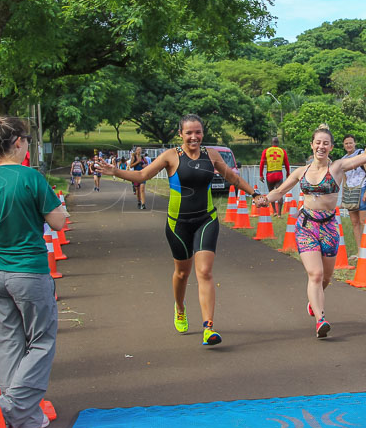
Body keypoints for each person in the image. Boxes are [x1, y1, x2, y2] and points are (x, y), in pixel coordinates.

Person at [99, 115, 259, 346]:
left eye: (198, 132)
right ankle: (181, 307)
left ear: (203, 133)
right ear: (180, 134)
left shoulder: (211, 156)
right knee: (182, 274)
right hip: (178, 224)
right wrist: (116, 172)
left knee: (204, 271)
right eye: (189, 133)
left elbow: (232, 177)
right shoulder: (171, 156)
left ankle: (208, 327)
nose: (194, 137)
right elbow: (142, 175)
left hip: (206, 219)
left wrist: (255, 195)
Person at [0, 115, 68, 428]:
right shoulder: (31, 178)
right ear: (18, 143)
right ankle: (7, 409)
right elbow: (58, 223)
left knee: (6, 343)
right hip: (29, 271)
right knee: (41, 342)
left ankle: (23, 420)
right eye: (26, 140)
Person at [258, 117, 366, 338]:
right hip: (306, 225)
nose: (321, 146)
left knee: (325, 277)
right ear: (312, 145)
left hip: (329, 227)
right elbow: (280, 191)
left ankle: (313, 302)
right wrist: (265, 199)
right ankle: (320, 319)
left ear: (331, 147)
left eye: (326, 143)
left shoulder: (338, 167)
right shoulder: (301, 172)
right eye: (318, 142)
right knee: (315, 275)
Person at [340, 134, 366, 251]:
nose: (349, 145)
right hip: (350, 191)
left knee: (364, 221)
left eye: (350, 143)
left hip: (362, 188)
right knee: (354, 222)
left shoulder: (361, 155)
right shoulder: (343, 160)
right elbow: (344, 179)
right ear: (343, 145)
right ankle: (360, 249)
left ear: (355, 143)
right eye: (346, 143)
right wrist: (343, 195)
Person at [258, 136, 290, 216]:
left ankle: (274, 211)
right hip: (279, 174)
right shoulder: (282, 151)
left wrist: (261, 175)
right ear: (278, 143)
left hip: (270, 174)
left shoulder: (266, 151)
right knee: (279, 193)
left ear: (271, 143)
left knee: (271, 192)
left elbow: (261, 163)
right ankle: (279, 214)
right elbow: (287, 164)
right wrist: (288, 173)